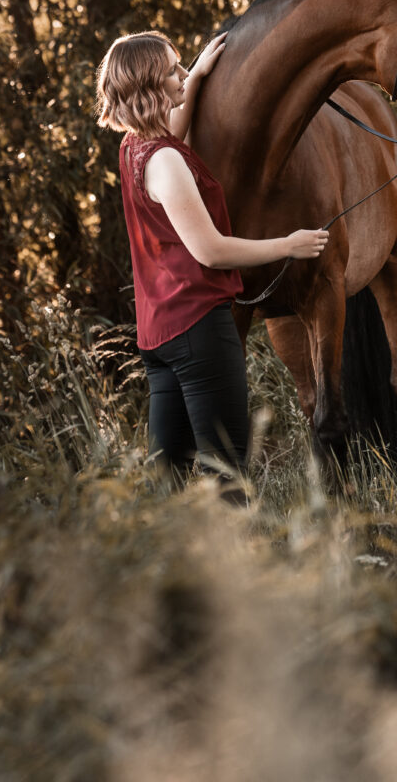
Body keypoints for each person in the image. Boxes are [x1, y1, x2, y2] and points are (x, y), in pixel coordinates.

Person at [95, 30, 329, 485]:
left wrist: (197, 76)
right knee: (226, 475)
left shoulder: (134, 148)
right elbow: (211, 250)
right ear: (148, 89)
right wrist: (289, 245)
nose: (182, 73)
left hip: (158, 337)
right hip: (199, 329)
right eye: (172, 71)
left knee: (173, 479)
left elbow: (172, 130)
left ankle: (180, 557)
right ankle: (234, 555)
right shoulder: (165, 162)